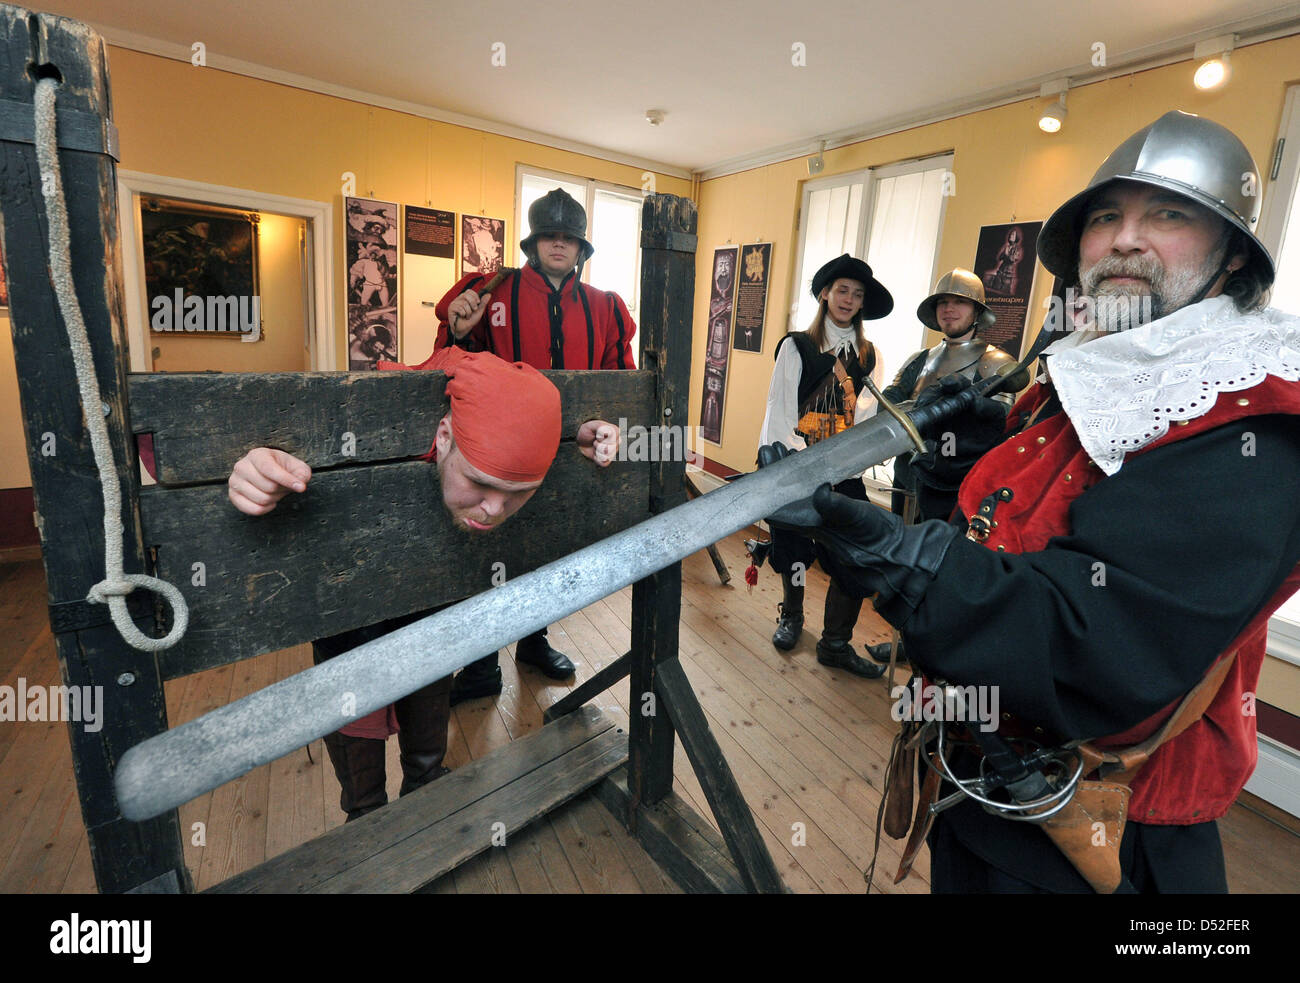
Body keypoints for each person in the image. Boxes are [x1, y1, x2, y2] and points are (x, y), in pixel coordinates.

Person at [762, 111, 1300, 892]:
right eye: (1106, 216)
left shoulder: (1248, 415)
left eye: (1169, 215)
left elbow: (1104, 646)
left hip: (1109, 832)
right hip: (980, 781)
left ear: (1231, 256)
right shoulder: (1083, 379)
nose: (1124, 238)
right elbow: (1009, 525)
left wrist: (909, 564)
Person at [227, 347, 577, 822]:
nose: (493, 509)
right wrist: (252, 467)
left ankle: (425, 793)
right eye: (479, 483)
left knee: (428, 738)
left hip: (433, 626)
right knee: (361, 771)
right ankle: (365, 817)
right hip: (346, 632)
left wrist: (591, 431)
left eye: (516, 494)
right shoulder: (382, 430)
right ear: (444, 435)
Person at [433, 188, 632, 702]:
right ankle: (480, 664)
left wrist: (610, 429)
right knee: (486, 551)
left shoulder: (606, 308)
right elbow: (456, 368)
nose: (559, 245)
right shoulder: (493, 294)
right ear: (534, 242)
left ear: (582, 248)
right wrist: (459, 331)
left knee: (547, 552)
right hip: (501, 457)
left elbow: (621, 382)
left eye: (569, 238)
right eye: (551, 236)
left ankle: (534, 642)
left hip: (571, 453)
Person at [758, 253, 893, 678]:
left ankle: (835, 643)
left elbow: (867, 419)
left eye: (856, 294)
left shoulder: (870, 356)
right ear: (824, 294)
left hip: (844, 471)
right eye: (841, 290)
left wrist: (849, 463)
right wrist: (793, 467)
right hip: (796, 465)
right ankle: (792, 617)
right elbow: (779, 412)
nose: (848, 299)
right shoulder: (796, 346)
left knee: (853, 556)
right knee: (794, 548)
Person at [881, 269, 1029, 522]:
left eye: (960, 301)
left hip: (957, 480)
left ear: (977, 311)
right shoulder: (918, 360)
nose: (949, 308)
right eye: (943, 302)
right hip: (908, 471)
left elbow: (997, 428)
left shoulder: (994, 363)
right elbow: (888, 407)